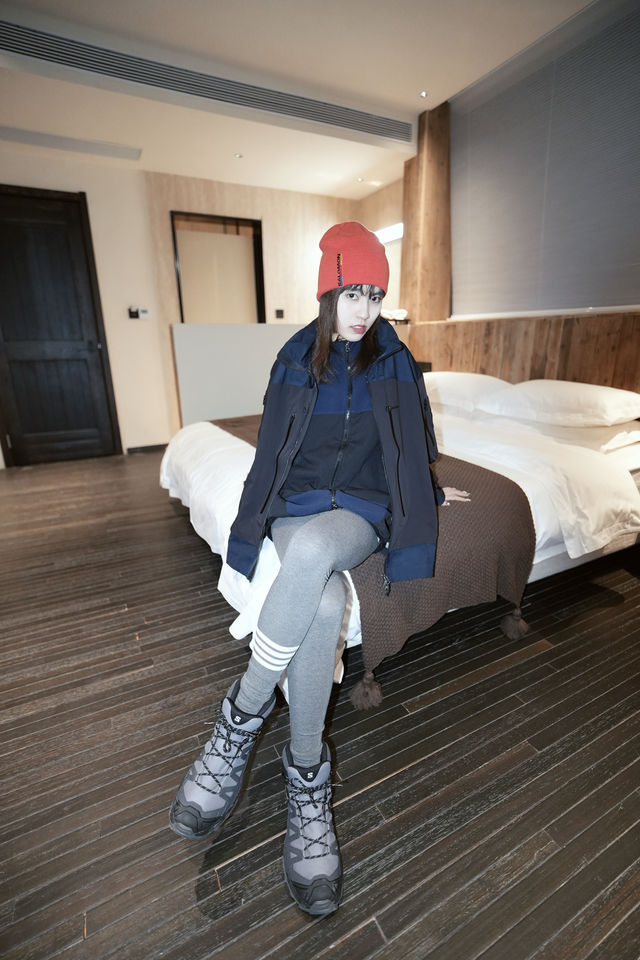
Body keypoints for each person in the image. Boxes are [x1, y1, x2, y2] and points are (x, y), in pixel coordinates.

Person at [169, 221, 470, 916]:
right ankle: (308, 778)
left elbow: (409, 446)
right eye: (351, 293)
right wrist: (250, 529)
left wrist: (427, 493)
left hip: (358, 511)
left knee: (310, 557)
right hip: (297, 505)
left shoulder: (395, 360)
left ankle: (238, 722)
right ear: (327, 293)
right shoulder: (294, 358)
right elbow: (272, 452)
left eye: (375, 295)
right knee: (326, 603)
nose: (364, 310)